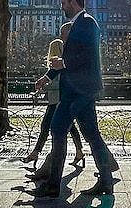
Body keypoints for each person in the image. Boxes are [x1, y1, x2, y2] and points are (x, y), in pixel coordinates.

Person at [29, 0, 116, 197]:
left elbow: (88, 55)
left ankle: (52, 185)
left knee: (58, 128)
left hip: (78, 90)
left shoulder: (86, 22)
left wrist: (64, 62)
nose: (62, 6)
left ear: (74, 2)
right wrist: (47, 77)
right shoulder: (79, 24)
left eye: (64, 3)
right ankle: (106, 181)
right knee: (92, 135)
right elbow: (69, 59)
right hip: (83, 90)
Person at [23, 30, 85, 168]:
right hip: (56, 100)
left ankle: (37, 153)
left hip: (57, 101)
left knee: (46, 126)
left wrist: (44, 87)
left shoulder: (61, 63)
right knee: (71, 126)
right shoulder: (61, 63)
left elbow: (58, 84)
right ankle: (79, 151)